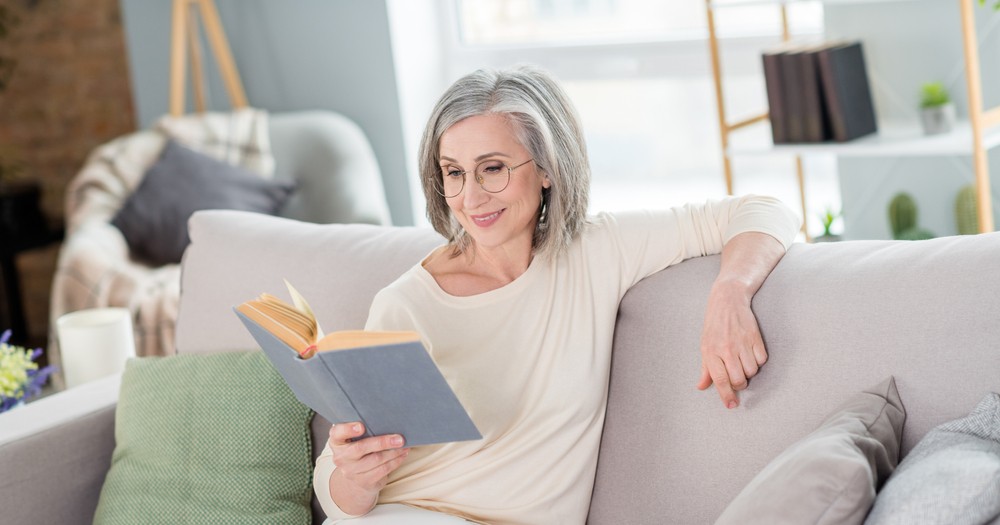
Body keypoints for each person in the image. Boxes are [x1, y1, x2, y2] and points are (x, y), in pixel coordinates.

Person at [314, 65, 801, 524]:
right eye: (454, 172)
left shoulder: (596, 252)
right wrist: (355, 476)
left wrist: (730, 292)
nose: (471, 197)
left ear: (547, 167)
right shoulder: (407, 303)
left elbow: (763, 210)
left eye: (493, 168)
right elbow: (339, 497)